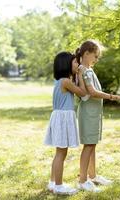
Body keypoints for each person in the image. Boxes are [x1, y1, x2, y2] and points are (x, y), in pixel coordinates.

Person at [76, 40, 120, 192]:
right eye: (95, 56)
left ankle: (92, 175)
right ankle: (83, 180)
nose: (96, 59)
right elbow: (92, 92)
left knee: (92, 144)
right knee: (88, 145)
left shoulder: (88, 69)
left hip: (93, 113)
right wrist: (111, 97)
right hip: (88, 113)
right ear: (86, 53)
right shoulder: (83, 70)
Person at [44, 52, 87, 195]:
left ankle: (52, 182)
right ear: (66, 64)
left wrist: (76, 73)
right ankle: (59, 186)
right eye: (75, 62)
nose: (78, 65)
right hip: (63, 118)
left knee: (59, 153)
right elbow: (82, 92)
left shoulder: (62, 81)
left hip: (59, 116)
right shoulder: (65, 81)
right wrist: (80, 75)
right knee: (61, 153)